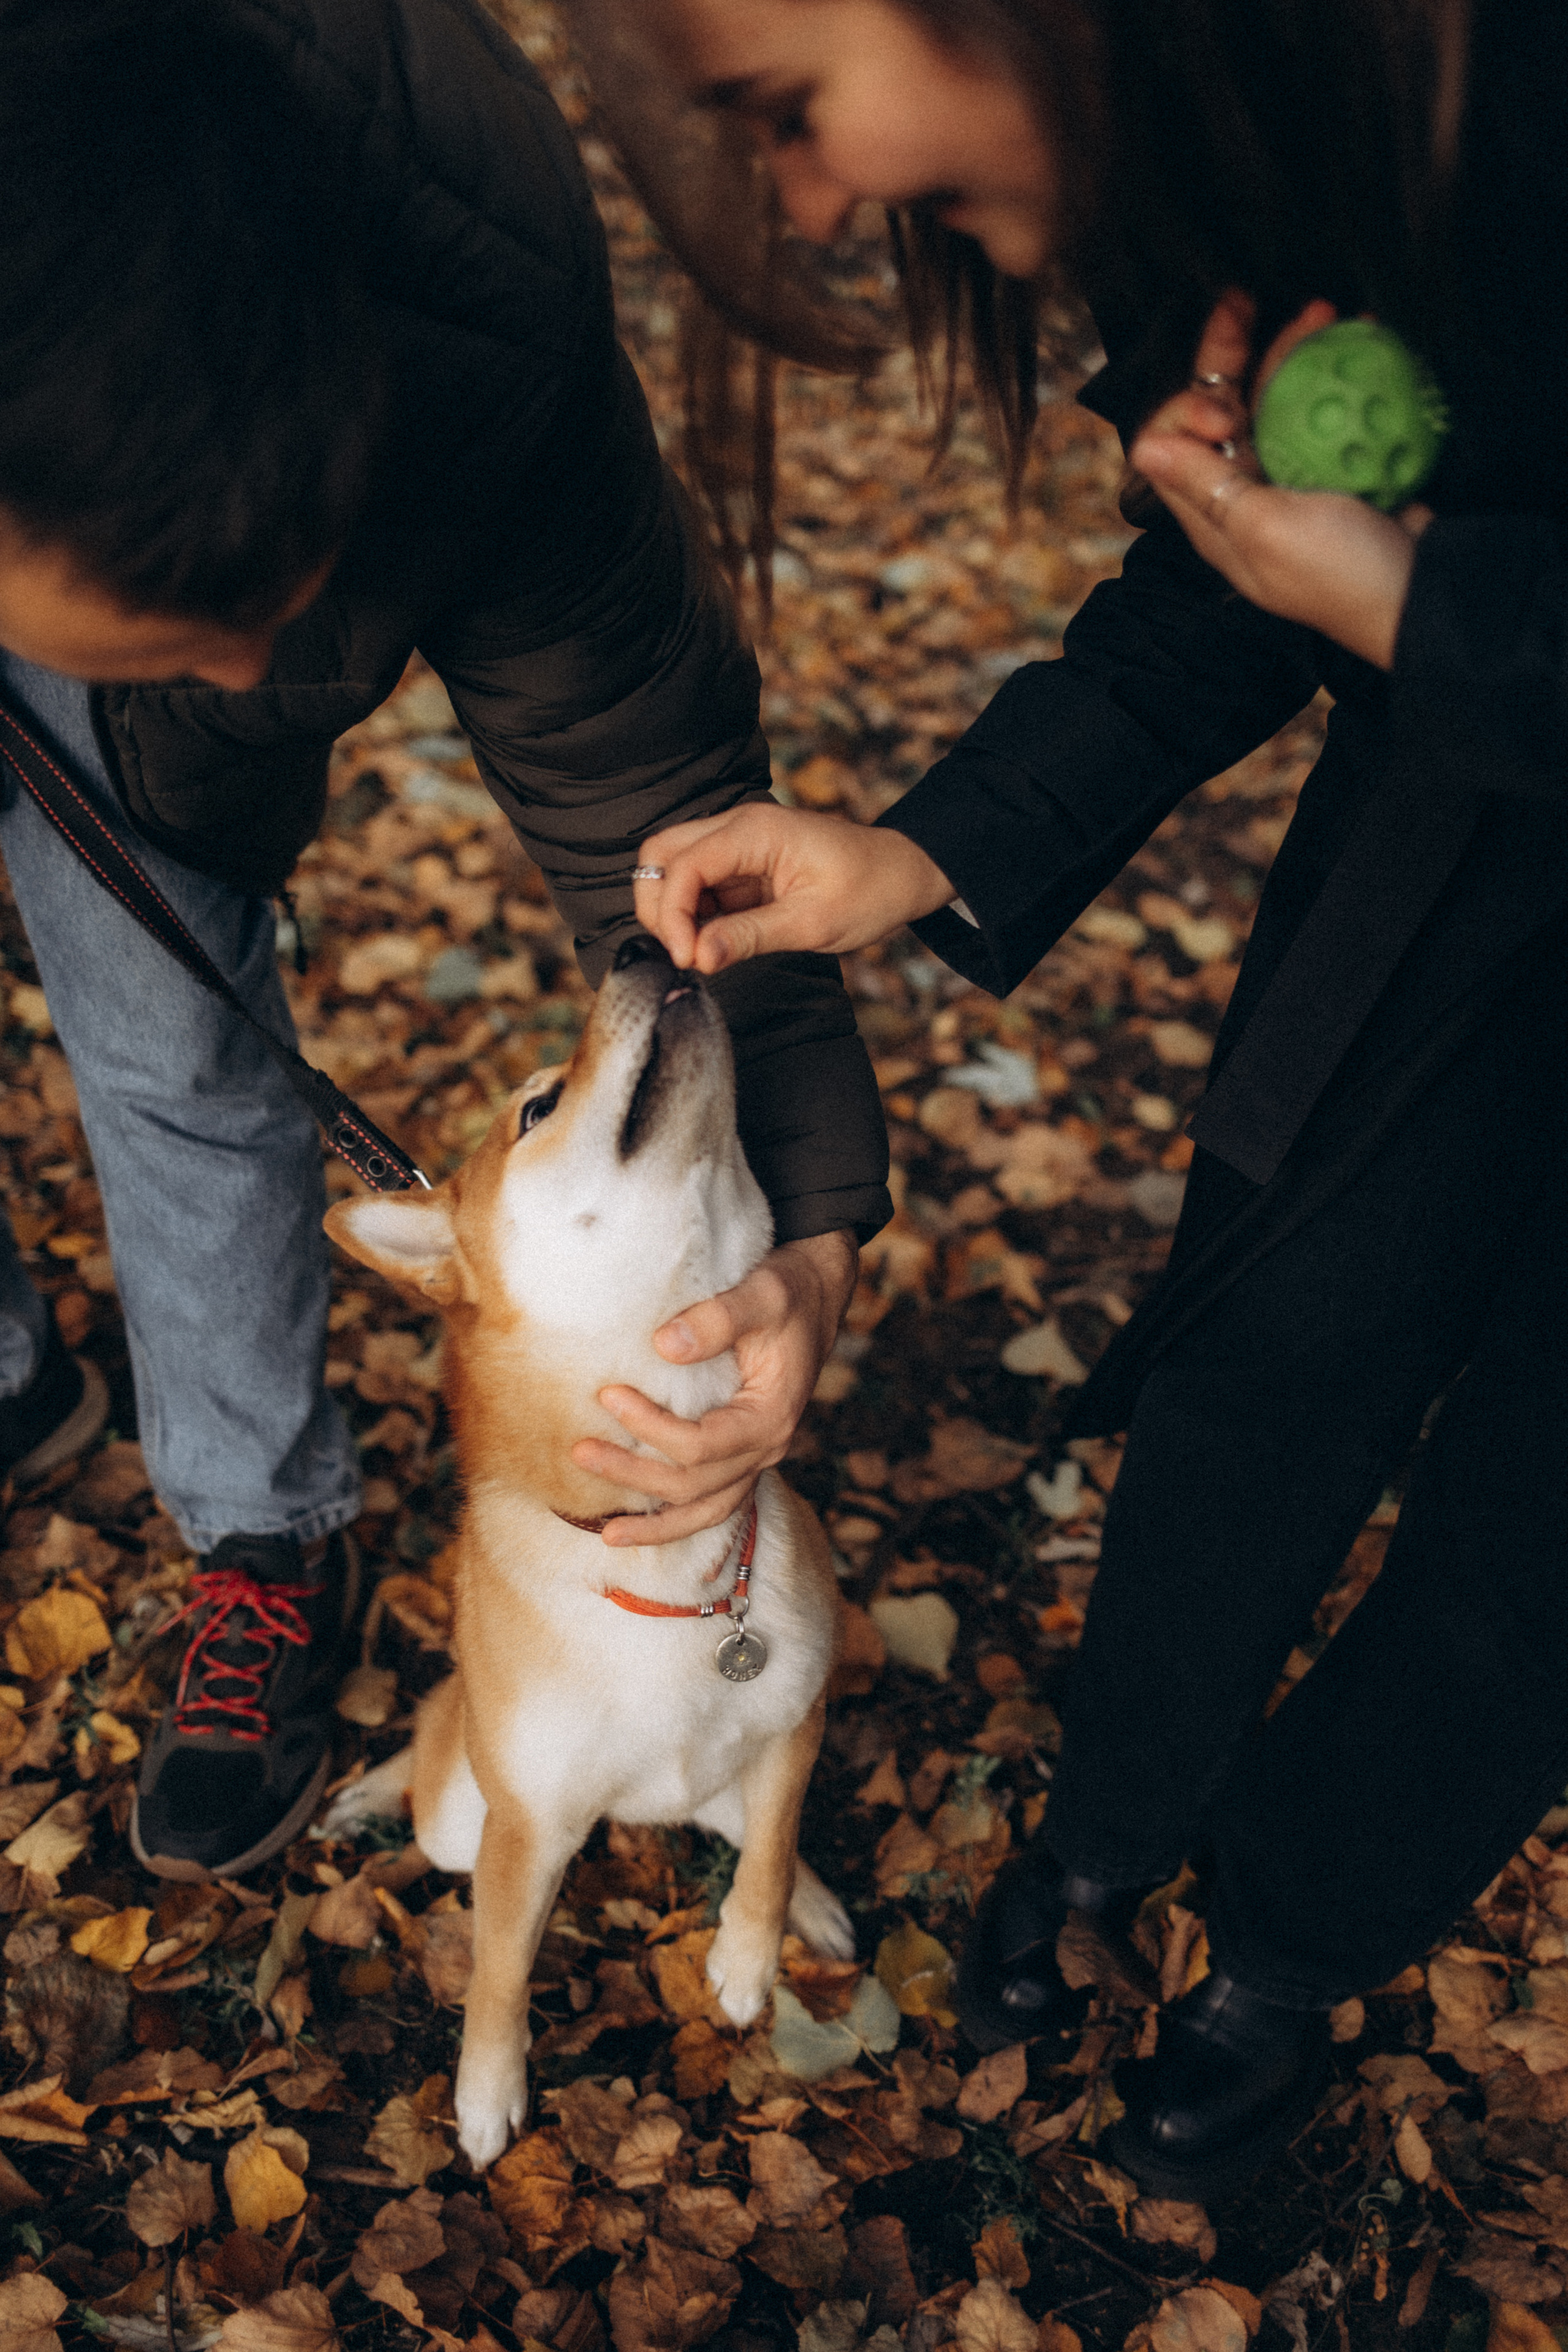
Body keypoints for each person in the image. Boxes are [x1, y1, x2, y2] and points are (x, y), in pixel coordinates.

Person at [589, 0, 1568, 2196]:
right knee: (1264, 1371)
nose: (818, 203)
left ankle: (1286, 1956)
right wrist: (925, 849)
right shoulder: (1227, 157)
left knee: (1535, 1546)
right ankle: (1114, 1826)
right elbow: (1238, 584)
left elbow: (1411, 576)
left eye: (787, 115)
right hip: (1431, 887)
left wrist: (1451, 609)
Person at [0, 0, 889, 1884]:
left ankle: (262, 1533)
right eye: (174, 631)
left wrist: (808, 1244)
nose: (263, 680)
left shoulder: (478, 306)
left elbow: (674, 818)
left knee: (169, 1036)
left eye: (281, 599)